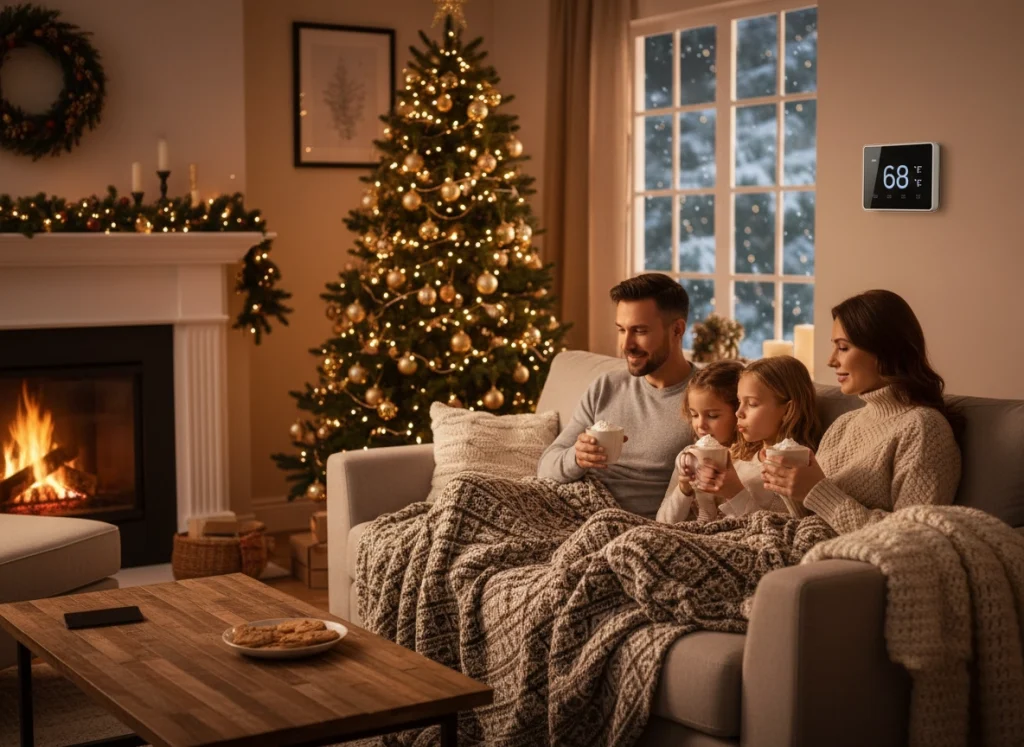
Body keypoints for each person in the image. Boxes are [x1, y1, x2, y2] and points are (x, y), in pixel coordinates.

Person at [761, 290, 962, 534]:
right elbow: (810, 519)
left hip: (839, 560)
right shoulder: (844, 425)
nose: (831, 360)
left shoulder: (923, 428)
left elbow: (911, 538)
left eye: (843, 348)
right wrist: (790, 487)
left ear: (883, 350)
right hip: (797, 542)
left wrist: (818, 491)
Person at [538, 274, 694, 518]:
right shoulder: (606, 386)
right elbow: (546, 467)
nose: (626, 344)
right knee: (467, 487)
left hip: (623, 524)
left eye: (639, 331)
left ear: (677, 329)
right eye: (621, 330)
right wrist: (577, 458)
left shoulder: (706, 399)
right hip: (568, 505)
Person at [666, 356, 820, 523]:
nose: (738, 413)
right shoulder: (738, 457)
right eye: (739, 402)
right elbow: (673, 522)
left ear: (787, 410)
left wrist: (734, 492)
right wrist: (684, 489)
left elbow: (775, 532)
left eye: (752, 404)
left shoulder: (797, 469)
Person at [656, 360, 743, 523]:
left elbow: (757, 522)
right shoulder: (687, 457)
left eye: (712, 416)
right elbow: (662, 522)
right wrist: (683, 489)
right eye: (694, 415)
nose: (700, 425)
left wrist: (732, 490)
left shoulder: (748, 463)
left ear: (739, 412)